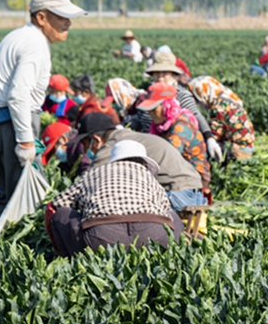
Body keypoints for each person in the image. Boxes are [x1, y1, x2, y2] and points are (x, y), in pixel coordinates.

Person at [0, 0, 85, 240]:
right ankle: (20, 248)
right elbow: (18, 95)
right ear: (42, 17)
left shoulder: (20, 36)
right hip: (9, 123)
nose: (68, 22)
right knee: (27, 198)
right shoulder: (35, 44)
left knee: (7, 193)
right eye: (61, 16)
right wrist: (25, 141)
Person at [45, 139, 185, 257]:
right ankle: (169, 258)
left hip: (102, 238)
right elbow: (165, 207)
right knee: (173, 216)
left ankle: (74, 263)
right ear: (143, 163)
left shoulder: (95, 173)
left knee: (62, 214)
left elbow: (58, 203)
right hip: (153, 236)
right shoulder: (148, 176)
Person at [69, 112, 208, 212]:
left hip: (176, 193)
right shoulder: (127, 136)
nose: (85, 150)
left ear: (96, 140)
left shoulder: (112, 144)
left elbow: (88, 182)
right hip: (192, 192)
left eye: (85, 144)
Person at [135, 82, 212, 188]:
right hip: (175, 171)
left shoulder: (181, 124)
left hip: (193, 177)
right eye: (149, 110)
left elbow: (169, 156)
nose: (150, 113)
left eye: (154, 109)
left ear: (167, 106)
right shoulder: (159, 126)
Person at [189, 76, 258, 161]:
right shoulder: (227, 97)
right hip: (249, 146)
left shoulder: (218, 107)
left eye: (197, 100)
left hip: (239, 150)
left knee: (206, 146)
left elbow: (214, 135)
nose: (198, 104)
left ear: (203, 94)